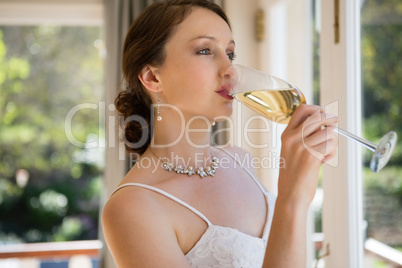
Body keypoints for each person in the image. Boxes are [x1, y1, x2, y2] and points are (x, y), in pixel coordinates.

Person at [101, 0, 338, 267]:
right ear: (153, 78)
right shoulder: (132, 208)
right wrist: (292, 199)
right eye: (205, 50)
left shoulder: (241, 160)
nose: (230, 70)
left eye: (230, 53)